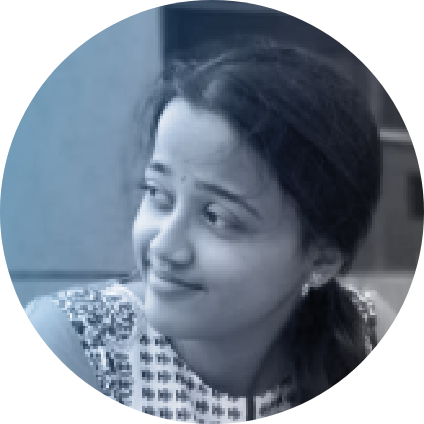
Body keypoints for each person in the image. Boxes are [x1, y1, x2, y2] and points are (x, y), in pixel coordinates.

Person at [24, 36, 397, 422]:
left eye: (217, 217)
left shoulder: (365, 335)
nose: (164, 247)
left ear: (322, 259)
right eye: (158, 194)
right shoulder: (79, 346)